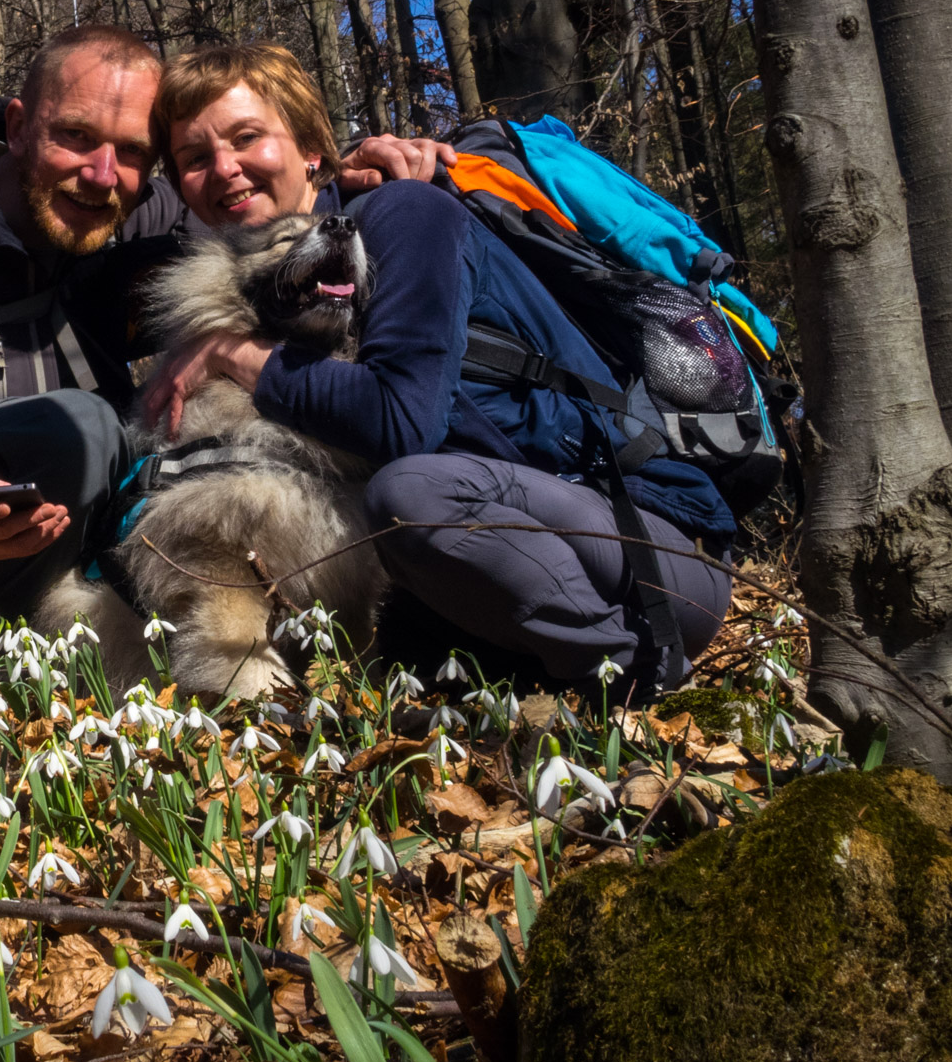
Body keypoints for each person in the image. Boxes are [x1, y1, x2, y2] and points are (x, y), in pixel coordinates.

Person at [0, 26, 430, 630]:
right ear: (19, 126)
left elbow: (246, 215)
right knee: (83, 427)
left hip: (92, 557)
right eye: (77, 137)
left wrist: (334, 177)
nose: (100, 174)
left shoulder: (121, 211)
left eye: (132, 154)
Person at [143, 43, 732, 693]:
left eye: (247, 137)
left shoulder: (404, 211)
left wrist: (237, 355)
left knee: (410, 497)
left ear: (312, 147)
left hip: (652, 550)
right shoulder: (293, 281)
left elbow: (399, 421)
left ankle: (622, 681)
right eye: (196, 159)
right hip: (517, 543)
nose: (224, 168)